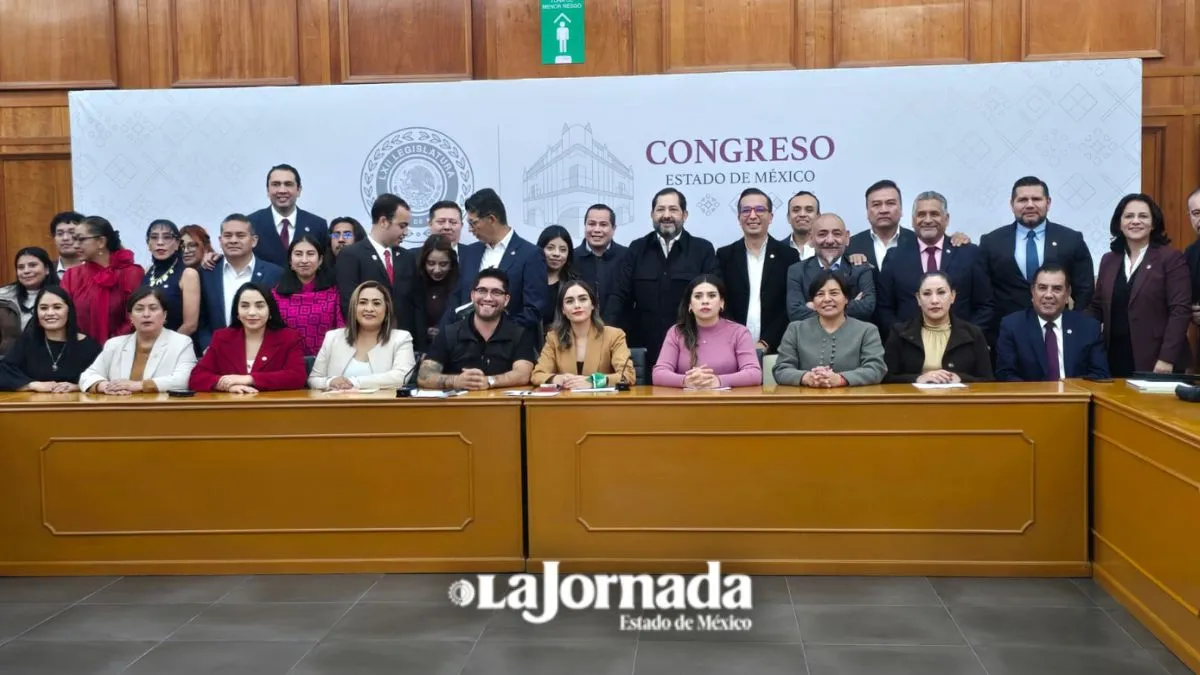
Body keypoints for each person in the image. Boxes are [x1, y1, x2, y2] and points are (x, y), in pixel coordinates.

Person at [602, 188, 718, 365]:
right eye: (660, 210)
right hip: (643, 347)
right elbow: (619, 295)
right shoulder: (636, 249)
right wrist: (605, 335)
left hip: (691, 346)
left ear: (684, 214)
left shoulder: (702, 250)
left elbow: (714, 298)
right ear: (652, 214)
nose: (666, 215)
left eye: (673, 209)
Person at [978, 176, 1095, 343]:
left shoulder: (1071, 240)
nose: (1030, 205)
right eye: (1023, 200)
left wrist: (1074, 326)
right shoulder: (992, 242)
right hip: (1005, 337)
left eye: (1036, 199)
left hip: (1058, 335)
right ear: (1012, 204)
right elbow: (983, 295)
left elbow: (1085, 291)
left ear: (1048, 202)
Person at [1086, 194, 1190, 376]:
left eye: (1143, 216)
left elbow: (1180, 311)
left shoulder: (1170, 258)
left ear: (1154, 223)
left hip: (1157, 360)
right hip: (1114, 357)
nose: (1135, 221)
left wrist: (1167, 358)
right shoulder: (1108, 260)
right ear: (1119, 223)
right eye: (1128, 216)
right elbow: (1097, 307)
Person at [876, 191, 993, 336]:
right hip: (909, 347)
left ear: (946, 219)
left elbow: (985, 306)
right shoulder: (895, 257)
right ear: (913, 220)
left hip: (961, 346)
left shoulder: (969, 254)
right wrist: (902, 339)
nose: (928, 220)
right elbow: (884, 308)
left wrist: (967, 338)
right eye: (921, 215)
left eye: (934, 214)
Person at [442, 188, 547, 331]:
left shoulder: (530, 254)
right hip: (466, 343)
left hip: (510, 345)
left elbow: (534, 310)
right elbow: (455, 299)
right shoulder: (470, 252)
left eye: (473, 223)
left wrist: (495, 331)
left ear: (491, 219)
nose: (470, 230)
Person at [417, 268, 537, 390]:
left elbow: (523, 375)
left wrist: (489, 381)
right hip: (457, 406)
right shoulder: (449, 333)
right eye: (482, 291)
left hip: (503, 406)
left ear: (506, 300)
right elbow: (424, 376)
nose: (488, 298)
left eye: (496, 292)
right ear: (472, 295)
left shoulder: (519, 334)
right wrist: (455, 381)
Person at [335, 193, 424, 350]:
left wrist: (421, 347)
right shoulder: (351, 255)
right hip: (367, 344)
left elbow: (417, 305)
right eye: (402, 226)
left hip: (404, 344)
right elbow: (349, 303)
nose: (405, 232)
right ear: (383, 221)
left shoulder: (407, 258)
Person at [717, 188, 798, 355]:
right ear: (738, 217)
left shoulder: (788, 256)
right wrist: (738, 339)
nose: (752, 215)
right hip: (732, 347)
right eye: (746, 210)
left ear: (771, 217)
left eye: (760, 210)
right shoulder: (724, 255)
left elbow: (789, 305)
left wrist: (766, 341)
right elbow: (721, 302)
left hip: (777, 349)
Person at [995, 264, 1110, 381]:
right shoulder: (1012, 326)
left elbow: (1100, 375)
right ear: (1032, 292)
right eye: (1042, 288)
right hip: (1030, 398)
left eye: (1057, 289)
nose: (1049, 295)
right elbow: (1005, 375)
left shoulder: (1088, 327)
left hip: (1076, 396)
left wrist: (1070, 391)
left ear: (1067, 294)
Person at [773, 271, 887, 387]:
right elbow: (781, 369)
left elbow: (876, 369)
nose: (827, 299)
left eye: (834, 293)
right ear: (813, 301)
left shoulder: (867, 330)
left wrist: (841, 379)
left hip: (852, 401)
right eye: (820, 294)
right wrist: (807, 377)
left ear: (846, 298)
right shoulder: (796, 329)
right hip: (806, 400)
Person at [189, 282, 307, 393]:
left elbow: (297, 377)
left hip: (272, 408)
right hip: (232, 407)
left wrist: (249, 379)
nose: (252, 312)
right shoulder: (222, 337)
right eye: (245, 306)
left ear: (270, 310)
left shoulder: (288, 337)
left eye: (259, 306)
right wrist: (226, 385)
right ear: (237, 312)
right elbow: (197, 377)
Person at [78, 287, 197, 394]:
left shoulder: (181, 342)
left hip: (161, 411)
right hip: (120, 409)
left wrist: (138, 385)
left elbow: (184, 379)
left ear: (164, 315)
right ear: (131, 317)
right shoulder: (114, 344)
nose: (146, 314)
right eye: (139, 309)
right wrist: (106, 386)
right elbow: (87, 376)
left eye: (153, 308)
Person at [652, 275, 762, 389]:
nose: (705, 301)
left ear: (721, 303)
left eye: (712, 296)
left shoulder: (739, 332)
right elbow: (658, 374)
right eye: (698, 296)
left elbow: (754, 374)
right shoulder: (676, 332)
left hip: (727, 403)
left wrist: (718, 381)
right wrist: (685, 381)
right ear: (689, 304)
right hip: (687, 403)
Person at [883, 272, 993, 383]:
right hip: (915, 399)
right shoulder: (900, 333)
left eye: (941, 292)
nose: (934, 300)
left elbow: (988, 381)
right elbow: (886, 378)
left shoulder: (973, 334)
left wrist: (961, 378)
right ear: (918, 299)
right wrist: (917, 378)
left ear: (952, 296)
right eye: (927, 294)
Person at [197, 213, 284, 352]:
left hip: (262, 353)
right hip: (216, 352)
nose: (233, 240)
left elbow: (279, 319)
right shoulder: (206, 273)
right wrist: (208, 346)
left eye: (240, 235)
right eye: (227, 235)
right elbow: (201, 320)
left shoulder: (274, 274)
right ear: (220, 240)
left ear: (254, 240)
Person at [308, 281, 416, 391]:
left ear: (387, 309)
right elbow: (314, 379)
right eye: (363, 302)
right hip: (338, 405)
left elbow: (400, 377)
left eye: (377, 303)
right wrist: (330, 381)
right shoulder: (332, 337)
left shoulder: (401, 338)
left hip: (381, 406)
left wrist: (354, 382)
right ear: (354, 308)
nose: (369, 309)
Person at [531, 280, 635, 388]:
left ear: (593, 305)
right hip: (567, 401)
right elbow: (537, 375)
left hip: (602, 402)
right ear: (563, 310)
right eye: (569, 301)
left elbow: (627, 375)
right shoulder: (554, 338)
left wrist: (593, 381)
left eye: (583, 299)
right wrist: (557, 378)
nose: (577, 305)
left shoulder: (614, 335)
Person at [61, 215, 145, 343]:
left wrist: (111, 346)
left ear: (101, 242)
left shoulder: (131, 272)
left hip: (124, 348)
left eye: (81, 239)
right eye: (74, 239)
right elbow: (64, 315)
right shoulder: (72, 275)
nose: (75, 245)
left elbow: (135, 317)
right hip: (81, 350)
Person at [0, 287, 102, 392]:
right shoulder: (27, 342)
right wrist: (32, 385)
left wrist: (78, 387)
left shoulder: (89, 347)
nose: (50, 313)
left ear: (69, 311)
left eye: (57, 307)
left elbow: (102, 379)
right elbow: (4, 371)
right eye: (43, 308)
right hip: (34, 405)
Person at [785, 213, 875, 322]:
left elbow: (867, 308)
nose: (830, 241)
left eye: (837, 234)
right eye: (822, 234)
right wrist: (849, 304)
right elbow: (795, 313)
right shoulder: (797, 271)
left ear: (846, 238)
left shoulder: (861, 269)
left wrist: (815, 306)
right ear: (811, 238)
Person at [273, 233, 343, 357]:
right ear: (290, 260)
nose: (304, 260)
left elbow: (342, 332)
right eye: (298, 254)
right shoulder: (276, 295)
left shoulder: (335, 293)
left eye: (310, 254)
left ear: (320, 260)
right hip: (287, 362)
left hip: (328, 362)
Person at [247, 164, 329, 267]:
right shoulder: (250, 223)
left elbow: (325, 266)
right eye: (276, 184)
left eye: (288, 184)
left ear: (299, 190)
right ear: (268, 190)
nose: (282, 190)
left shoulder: (318, 225)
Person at [142, 219, 200, 336]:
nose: (160, 242)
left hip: (177, 346)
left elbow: (190, 325)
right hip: (146, 343)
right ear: (148, 243)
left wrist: (165, 347)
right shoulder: (147, 271)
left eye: (167, 237)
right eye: (154, 237)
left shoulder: (188, 274)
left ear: (178, 243)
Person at [844, 180, 915, 271]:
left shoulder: (916, 241)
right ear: (867, 212)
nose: (883, 210)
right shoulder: (851, 246)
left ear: (901, 209)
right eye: (876, 204)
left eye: (890, 203)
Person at [573, 203, 628, 309]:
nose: (597, 230)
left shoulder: (627, 257)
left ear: (613, 228)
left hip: (619, 325)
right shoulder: (571, 258)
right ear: (585, 226)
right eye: (592, 224)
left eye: (603, 224)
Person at [0, 246, 57, 331]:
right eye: (21, 267)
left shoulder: (60, 295)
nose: (26, 271)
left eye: (32, 265)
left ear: (47, 269)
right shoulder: (3, 296)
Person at [418, 235, 459, 344]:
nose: (437, 270)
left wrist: (443, 330)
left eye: (443, 264)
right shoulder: (415, 283)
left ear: (451, 264)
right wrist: (423, 331)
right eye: (431, 263)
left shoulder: (460, 286)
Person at [538, 225, 576, 332]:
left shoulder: (573, 283)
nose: (556, 254)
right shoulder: (529, 278)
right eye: (550, 248)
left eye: (563, 250)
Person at [782, 191, 819, 260]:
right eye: (796, 210)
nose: (802, 214)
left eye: (809, 210)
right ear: (788, 217)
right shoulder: (776, 249)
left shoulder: (829, 248)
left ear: (818, 217)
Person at [48, 211, 85, 280]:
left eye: (72, 232)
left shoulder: (96, 269)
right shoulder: (46, 271)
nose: (65, 238)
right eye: (60, 233)